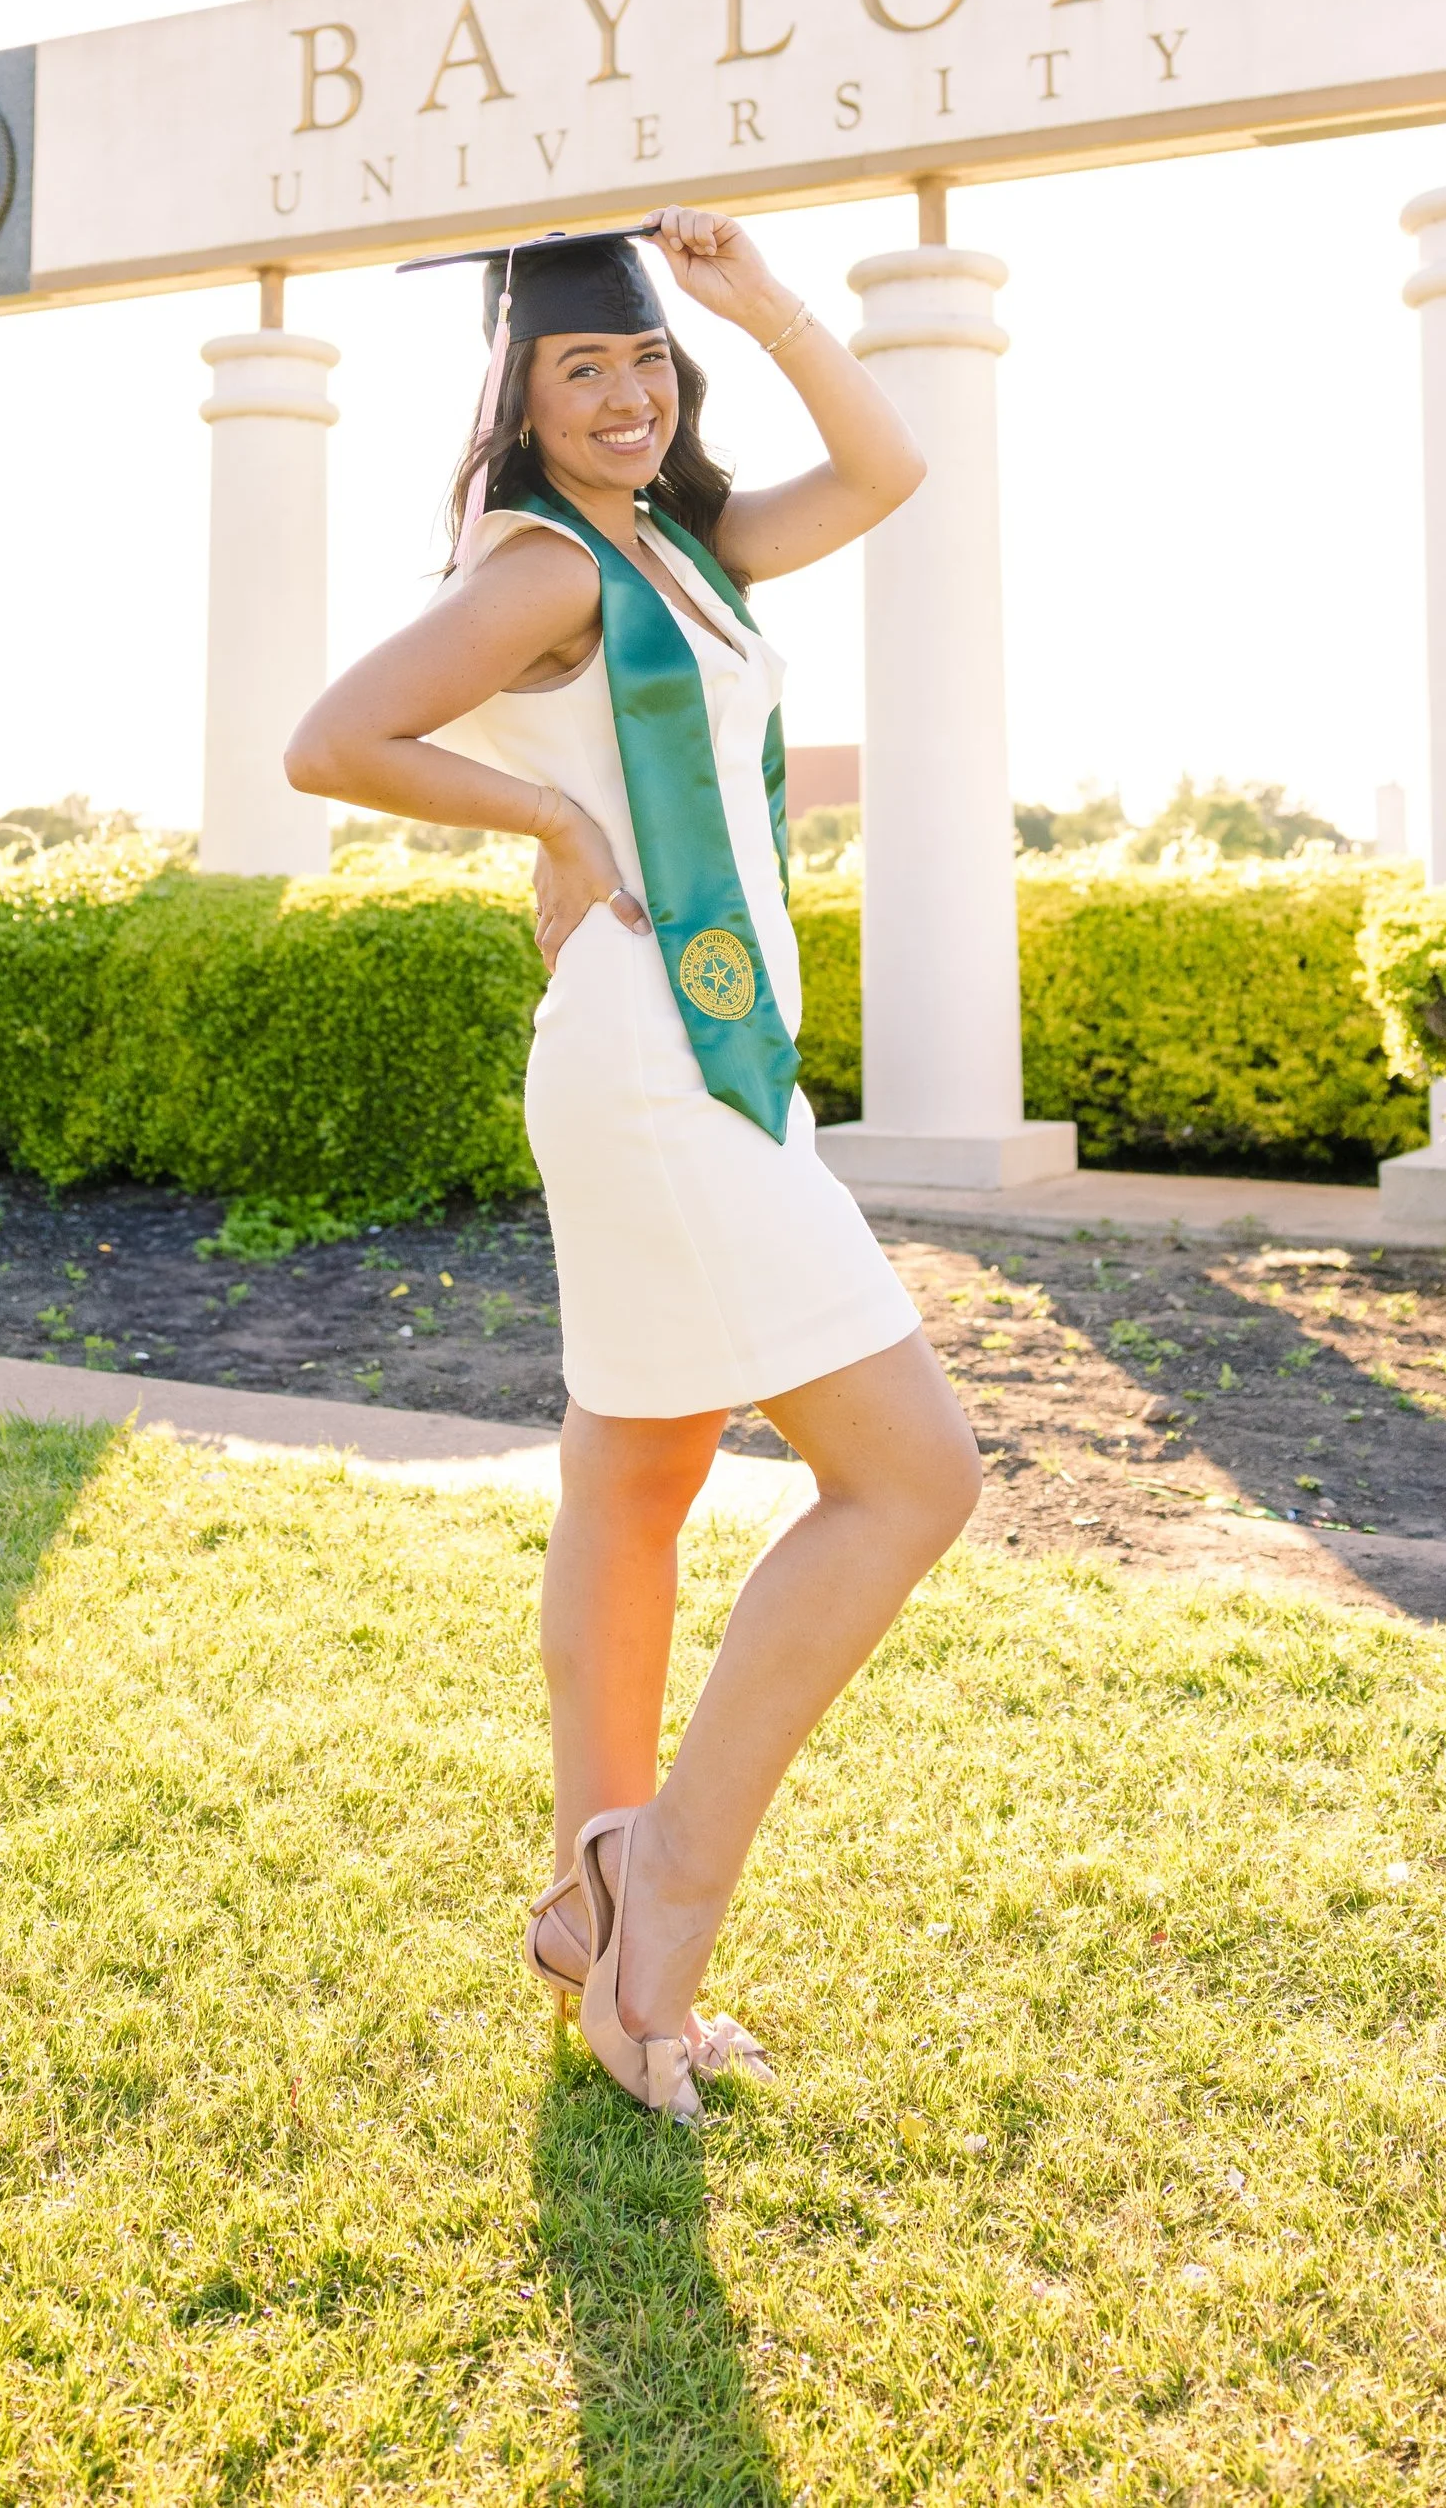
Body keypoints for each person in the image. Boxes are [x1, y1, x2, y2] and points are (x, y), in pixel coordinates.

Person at [286, 206, 985, 2121]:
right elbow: (334, 737)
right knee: (916, 1476)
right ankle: (666, 1893)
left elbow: (885, 468)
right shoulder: (540, 567)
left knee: (640, 1470)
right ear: (519, 395)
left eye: (647, 363)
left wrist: (761, 304)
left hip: (703, 1054)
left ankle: (600, 1889)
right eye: (584, 366)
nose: (625, 393)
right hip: (650, 1056)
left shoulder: (681, 545)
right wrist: (544, 821)